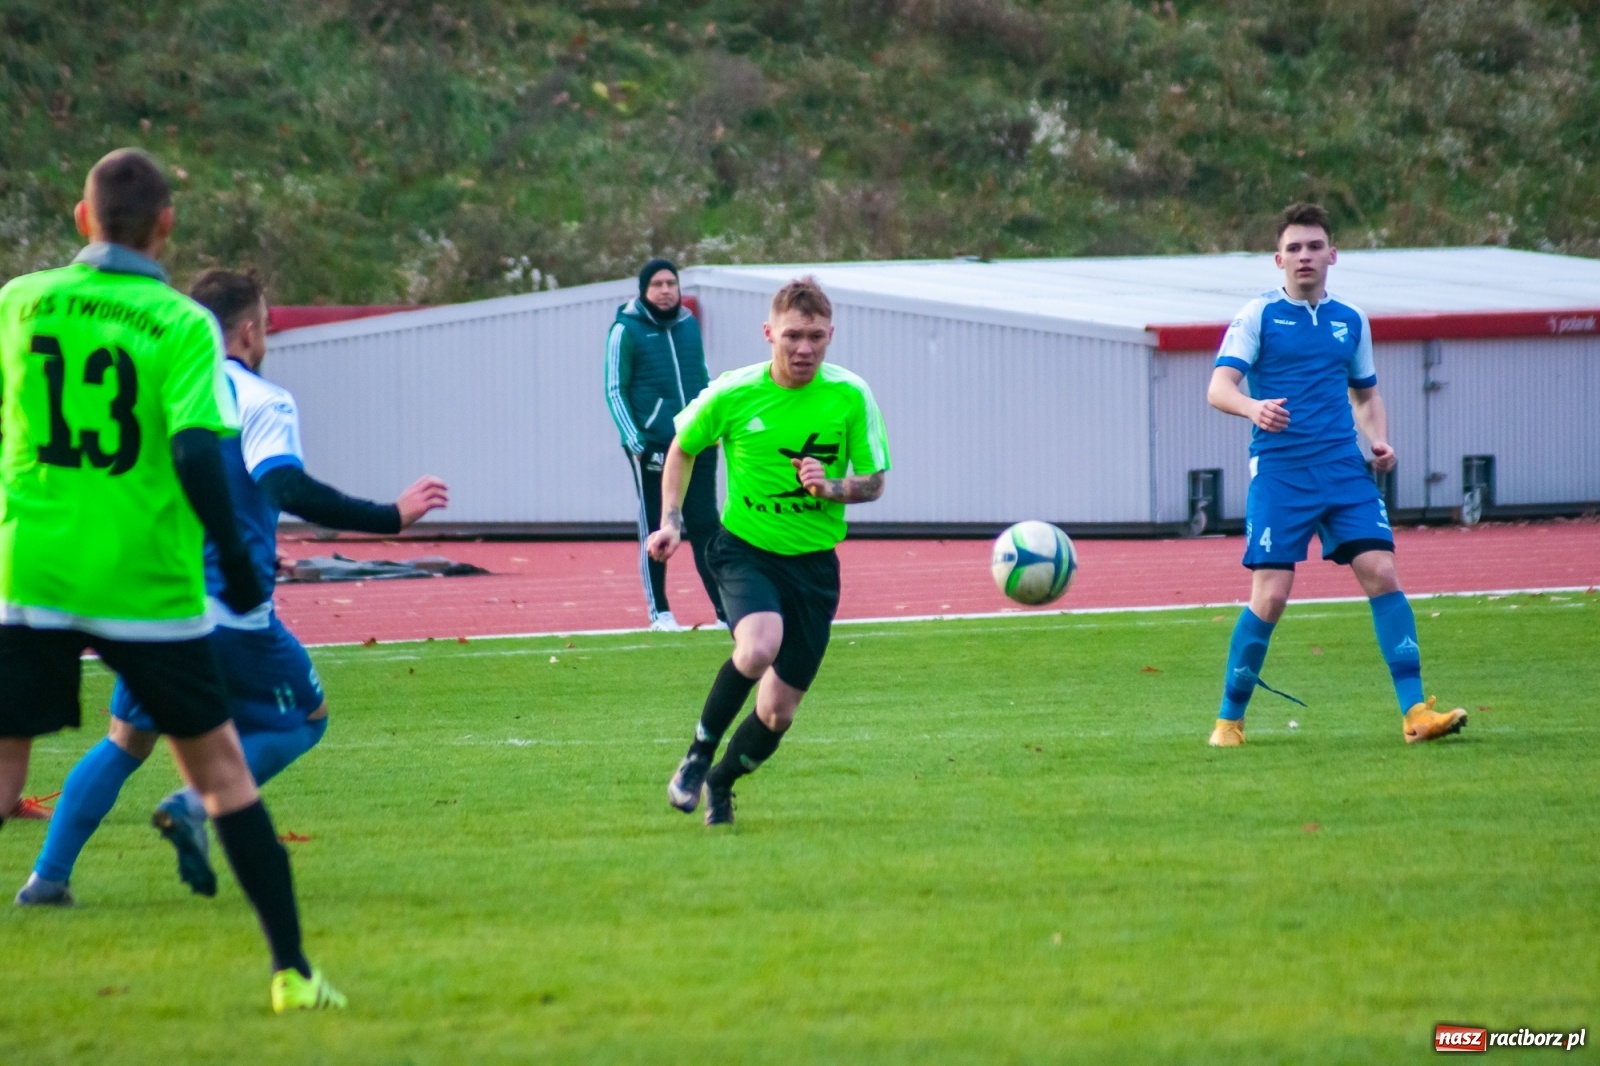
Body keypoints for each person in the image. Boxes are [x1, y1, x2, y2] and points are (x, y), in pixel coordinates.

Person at [0, 149, 342, 1011]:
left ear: (82, 218)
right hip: (146, 581)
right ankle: (293, 976)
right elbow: (195, 452)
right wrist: (236, 557)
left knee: (8, 781)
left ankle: (45, 881)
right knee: (223, 778)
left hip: (34, 567)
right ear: (167, 226)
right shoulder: (181, 324)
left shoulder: (19, 301)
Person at [16, 268, 448, 910]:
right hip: (231, 610)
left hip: (153, 605)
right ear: (247, 331)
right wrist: (391, 515)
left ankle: (45, 881)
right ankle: (193, 805)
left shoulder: (154, 384)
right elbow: (284, 486)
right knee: (307, 718)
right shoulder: (261, 399)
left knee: (126, 741)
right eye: (265, 325)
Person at [1205, 201, 1467, 747]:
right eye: (1294, 248)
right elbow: (1219, 388)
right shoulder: (1258, 315)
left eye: (1314, 246)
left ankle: (1415, 713)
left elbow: (1365, 395)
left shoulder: (1351, 320)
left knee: (1382, 572)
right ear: (1278, 259)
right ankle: (1228, 721)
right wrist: (1253, 408)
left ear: (1332, 255)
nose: (1305, 256)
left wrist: (1378, 439)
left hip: (1344, 470)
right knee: (1271, 596)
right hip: (1281, 473)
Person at [651, 277, 890, 825]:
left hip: (815, 567)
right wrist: (671, 522)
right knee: (759, 646)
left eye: (815, 337)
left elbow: (875, 481)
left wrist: (832, 487)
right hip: (746, 550)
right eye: (792, 336)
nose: (804, 348)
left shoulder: (850, 395)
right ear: (768, 333)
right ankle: (698, 754)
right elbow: (682, 446)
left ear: (831, 335)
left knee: (778, 713)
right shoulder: (734, 392)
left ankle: (721, 781)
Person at [605, 258, 728, 632]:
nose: (665, 290)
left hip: (697, 440)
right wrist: (635, 441)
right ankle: (659, 613)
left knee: (706, 525)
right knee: (657, 525)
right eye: (657, 284)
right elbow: (615, 389)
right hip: (653, 444)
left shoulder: (688, 325)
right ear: (644, 290)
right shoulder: (625, 330)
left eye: (671, 283)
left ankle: (725, 611)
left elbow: (702, 378)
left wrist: (713, 426)